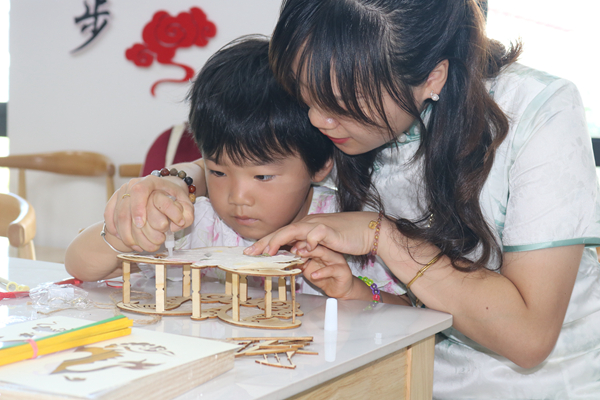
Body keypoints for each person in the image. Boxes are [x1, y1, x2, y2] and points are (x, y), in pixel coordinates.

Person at [101, 1, 600, 398]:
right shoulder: (349, 103)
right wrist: (179, 178)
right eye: (306, 94)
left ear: (433, 77)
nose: (318, 120)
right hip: (393, 368)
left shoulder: (538, 112)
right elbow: (261, 158)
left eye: (340, 105)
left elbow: (528, 338)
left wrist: (384, 237)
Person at [65, 36, 406, 304]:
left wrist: (354, 291)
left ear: (320, 166)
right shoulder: (196, 223)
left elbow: (409, 310)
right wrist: (127, 229)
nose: (238, 197)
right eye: (217, 172)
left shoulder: (346, 229)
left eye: (263, 176)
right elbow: (79, 265)